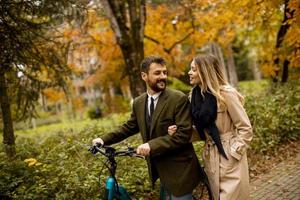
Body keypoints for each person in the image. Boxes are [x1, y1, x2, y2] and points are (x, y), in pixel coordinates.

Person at [92, 55, 206, 199]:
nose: (163, 76)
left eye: (164, 72)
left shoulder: (178, 99)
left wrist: (150, 145)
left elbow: (183, 134)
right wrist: (103, 139)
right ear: (144, 76)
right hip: (160, 169)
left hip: (180, 170)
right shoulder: (139, 102)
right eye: (157, 73)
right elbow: (129, 127)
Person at [168, 54, 253, 200]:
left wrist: (235, 152)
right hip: (210, 155)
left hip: (229, 156)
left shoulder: (226, 94)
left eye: (193, 69)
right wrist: (180, 132)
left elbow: (245, 128)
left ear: (205, 72)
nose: (189, 72)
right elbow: (202, 132)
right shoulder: (194, 97)